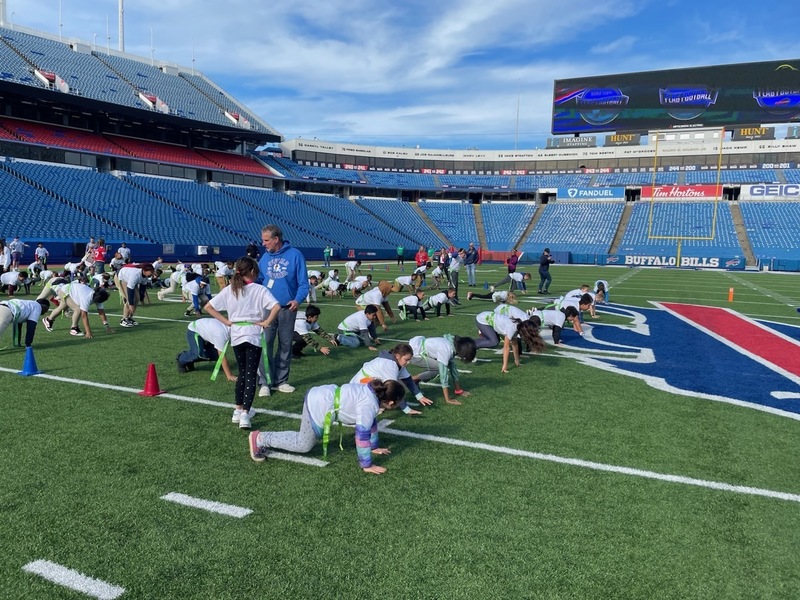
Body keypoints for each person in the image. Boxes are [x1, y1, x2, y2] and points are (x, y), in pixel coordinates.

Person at [248, 379, 404, 474]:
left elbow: (371, 424)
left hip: (321, 396)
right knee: (303, 444)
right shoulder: (369, 405)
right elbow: (362, 435)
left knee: (304, 440)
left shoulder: (373, 394)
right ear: (391, 402)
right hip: (318, 403)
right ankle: (260, 438)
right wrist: (367, 464)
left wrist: (374, 446)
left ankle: (262, 438)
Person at [204, 256, 281, 429]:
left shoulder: (230, 289)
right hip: (253, 335)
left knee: (243, 372)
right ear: (253, 271)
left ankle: (238, 410)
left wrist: (226, 322)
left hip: (237, 336)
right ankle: (245, 413)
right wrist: (267, 322)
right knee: (251, 374)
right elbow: (276, 306)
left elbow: (208, 307)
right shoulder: (260, 290)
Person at [258, 224, 309, 394]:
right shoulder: (264, 258)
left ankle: (281, 381)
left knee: (285, 345)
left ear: (276, 239)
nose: (263, 244)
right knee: (266, 344)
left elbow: (303, 283)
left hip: (288, 308)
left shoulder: (295, 255)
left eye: (266, 240)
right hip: (267, 309)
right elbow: (257, 281)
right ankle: (265, 382)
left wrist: (298, 299)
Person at [350, 343, 431, 415]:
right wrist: (407, 409)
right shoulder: (390, 365)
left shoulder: (397, 362)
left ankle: (377, 402)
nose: (408, 362)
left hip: (365, 385)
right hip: (358, 390)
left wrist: (420, 396)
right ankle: (371, 404)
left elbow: (408, 380)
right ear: (397, 356)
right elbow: (394, 390)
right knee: (390, 388)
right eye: (406, 359)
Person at [407, 334, 476, 405]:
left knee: (439, 368)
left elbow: (453, 368)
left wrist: (458, 390)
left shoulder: (453, 345)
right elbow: (443, 375)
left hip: (418, 347)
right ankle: (411, 380)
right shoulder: (446, 350)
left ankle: (414, 381)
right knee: (439, 368)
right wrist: (448, 399)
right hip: (415, 354)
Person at [474, 311, 545, 373]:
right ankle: (471, 345)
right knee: (494, 341)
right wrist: (504, 366)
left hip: (487, 318)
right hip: (482, 319)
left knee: (495, 341)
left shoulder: (518, 326)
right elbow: (506, 347)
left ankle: (471, 344)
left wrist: (517, 361)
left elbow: (514, 344)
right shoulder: (512, 328)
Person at [41, 282, 111, 338]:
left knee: (62, 307)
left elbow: (101, 311)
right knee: (77, 309)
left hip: (69, 291)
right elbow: (84, 316)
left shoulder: (98, 297)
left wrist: (106, 326)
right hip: (64, 291)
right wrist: (88, 332)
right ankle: (74, 328)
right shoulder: (86, 298)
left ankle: (48, 320)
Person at [176, 318, 236, 382]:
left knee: (215, 356)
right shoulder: (222, 334)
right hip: (195, 330)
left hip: (209, 332)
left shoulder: (234, 331)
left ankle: (190, 359)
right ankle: (181, 358)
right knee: (197, 354)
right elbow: (222, 356)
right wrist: (229, 375)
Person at [115, 262, 155, 327]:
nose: (152, 273)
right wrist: (131, 304)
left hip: (129, 279)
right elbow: (130, 290)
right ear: (144, 271)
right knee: (129, 299)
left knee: (137, 298)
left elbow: (142, 288)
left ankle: (129, 318)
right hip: (121, 278)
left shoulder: (145, 276)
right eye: (151, 272)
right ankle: (124, 319)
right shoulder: (135, 275)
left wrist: (141, 299)